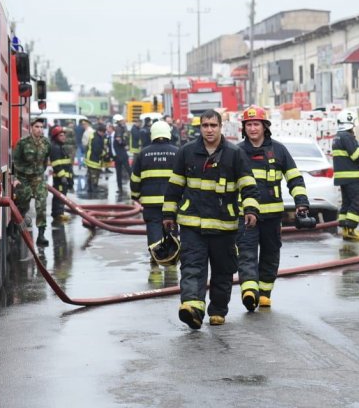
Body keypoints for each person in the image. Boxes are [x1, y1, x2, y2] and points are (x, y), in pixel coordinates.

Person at [162, 109, 260, 329]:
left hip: (224, 225)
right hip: (192, 224)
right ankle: (192, 308)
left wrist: (252, 211)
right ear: (200, 128)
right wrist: (169, 214)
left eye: (213, 125)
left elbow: (248, 186)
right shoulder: (186, 152)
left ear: (220, 127)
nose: (209, 130)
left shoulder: (234, 154)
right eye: (205, 126)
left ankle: (217, 310)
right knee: (191, 267)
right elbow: (174, 186)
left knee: (222, 270)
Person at [236, 105, 309, 311]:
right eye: (248, 124)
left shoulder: (278, 150)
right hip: (246, 215)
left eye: (256, 124)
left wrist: (301, 203)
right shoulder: (237, 152)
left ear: (265, 126)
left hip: (272, 215)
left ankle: (265, 292)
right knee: (247, 253)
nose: (252, 128)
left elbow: (294, 178)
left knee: (271, 253)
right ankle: (249, 291)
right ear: (244, 128)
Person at [130, 120, 179, 251]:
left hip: (151, 204)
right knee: (171, 230)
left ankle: (155, 264)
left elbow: (135, 179)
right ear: (168, 133)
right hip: (172, 203)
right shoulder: (177, 152)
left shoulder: (143, 153)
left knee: (153, 231)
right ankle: (171, 261)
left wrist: (135, 196)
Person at [12, 117, 51, 247]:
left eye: (41, 127)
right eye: (37, 127)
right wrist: (15, 178)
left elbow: (46, 160)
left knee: (41, 204)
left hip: (38, 177)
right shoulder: (23, 142)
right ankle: (15, 226)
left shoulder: (46, 143)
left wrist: (41, 172)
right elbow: (15, 160)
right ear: (31, 128)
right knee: (23, 204)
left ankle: (41, 235)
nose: (39, 130)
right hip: (23, 177)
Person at [332, 109, 359, 242]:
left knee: (347, 203)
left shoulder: (338, 136)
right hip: (353, 177)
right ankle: (351, 229)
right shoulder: (347, 137)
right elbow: (357, 156)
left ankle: (345, 230)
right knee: (357, 202)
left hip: (343, 178)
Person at [49, 126, 73, 224]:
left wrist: (70, 179)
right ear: (55, 137)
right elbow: (56, 164)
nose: (64, 137)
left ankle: (60, 213)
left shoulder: (60, 147)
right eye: (61, 135)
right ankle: (57, 214)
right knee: (59, 197)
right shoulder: (55, 148)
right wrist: (62, 176)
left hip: (64, 178)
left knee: (62, 196)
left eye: (64, 135)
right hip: (60, 178)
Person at [84, 123, 109, 194]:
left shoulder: (95, 135)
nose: (104, 134)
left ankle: (90, 188)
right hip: (93, 159)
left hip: (91, 158)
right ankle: (93, 189)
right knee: (94, 175)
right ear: (100, 131)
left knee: (90, 175)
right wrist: (105, 154)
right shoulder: (96, 138)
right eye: (103, 132)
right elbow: (97, 150)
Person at [112, 114, 132, 193]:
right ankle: (136, 186)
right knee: (127, 170)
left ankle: (120, 188)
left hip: (119, 153)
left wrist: (124, 143)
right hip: (121, 153)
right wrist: (125, 144)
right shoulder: (121, 128)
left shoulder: (119, 128)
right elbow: (119, 139)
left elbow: (119, 140)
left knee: (120, 172)